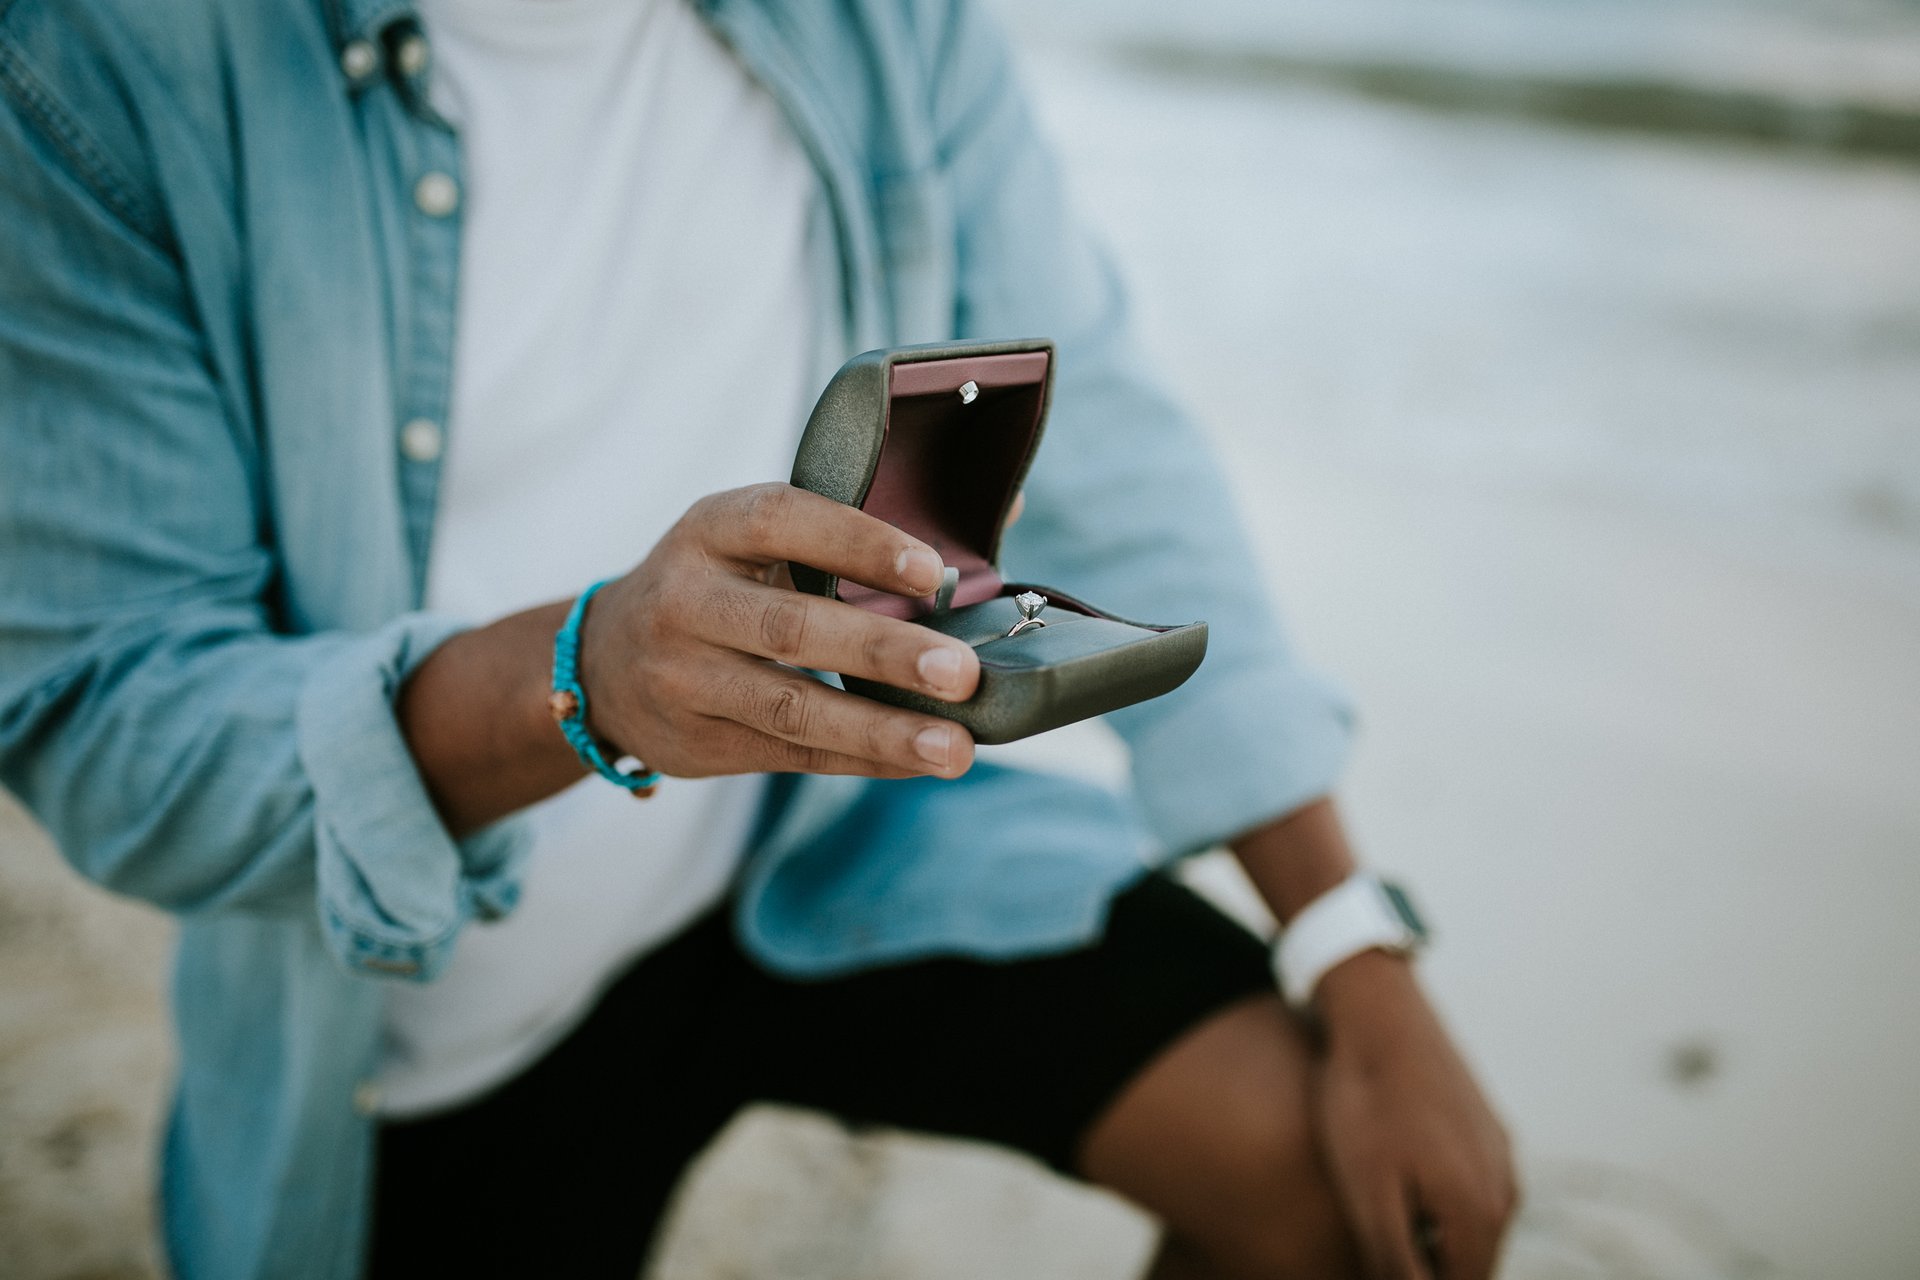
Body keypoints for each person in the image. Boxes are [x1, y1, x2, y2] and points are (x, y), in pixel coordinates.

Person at [0, 0, 1517, 1276]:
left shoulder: (884, 23)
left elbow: (1112, 446)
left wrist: (1349, 946)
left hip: (819, 838)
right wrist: (587, 677)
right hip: (436, 1018)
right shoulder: (95, 59)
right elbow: (109, 722)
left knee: (1344, 1199)